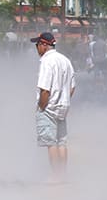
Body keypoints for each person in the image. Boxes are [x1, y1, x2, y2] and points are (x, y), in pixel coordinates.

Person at [32, 32, 76, 180]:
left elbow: (45, 89)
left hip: (49, 107)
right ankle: (63, 174)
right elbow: (72, 87)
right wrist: (63, 100)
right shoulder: (65, 60)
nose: (36, 49)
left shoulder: (46, 61)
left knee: (51, 143)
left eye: (37, 45)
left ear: (44, 45)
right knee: (61, 142)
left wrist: (41, 107)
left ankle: (56, 176)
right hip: (63, 107)